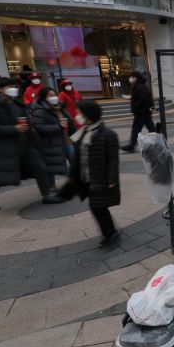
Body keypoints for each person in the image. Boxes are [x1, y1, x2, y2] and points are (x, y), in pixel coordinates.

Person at [0, 77, 63, 211]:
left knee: (40, 168)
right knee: (1, 175)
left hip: (25, 145)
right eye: (10, 87)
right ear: (0, 89)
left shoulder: (17, 104)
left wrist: (35, 141)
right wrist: (14, 128)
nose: (14, 89)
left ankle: (47, 196)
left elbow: (26, 124)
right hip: (5, 147)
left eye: (15, 87)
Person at [61, 101, 121, 246]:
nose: (77, 116)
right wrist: (72, 176)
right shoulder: (83, 132)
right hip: (85, 178)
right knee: (98, 208)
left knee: (98, 207)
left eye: (79, 113)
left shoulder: (108, 134)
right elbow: (77, 157)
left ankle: (111, 234)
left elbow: (113, 160)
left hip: (100, 178)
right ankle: (111, 232)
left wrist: (111, 179)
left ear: (88, 115)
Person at [31, 87, 75, 190]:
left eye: (55, 95)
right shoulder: (40, 111)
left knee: (75, 161)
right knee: (51, 164)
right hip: (51, 142)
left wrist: (75, 133)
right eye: (50, 96)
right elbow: (39, 127)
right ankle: (51, 185)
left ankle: (75, 181)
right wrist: (58, 126)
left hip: (67, 140)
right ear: (44, 98)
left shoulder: (60, 107)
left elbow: (70, 123)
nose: (54, 97)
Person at [121, 71, 154, 152]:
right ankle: (158, 141)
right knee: (150, 128)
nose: (130, 79)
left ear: (135, 78)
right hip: (144, 111)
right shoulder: (140, 85)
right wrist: (131, 97)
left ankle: (131, 146)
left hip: (141, 111)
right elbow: (141, 96)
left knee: (136, 129)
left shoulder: (139, 86)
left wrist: (136, 105)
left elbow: (144, 98)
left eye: (131, 77)